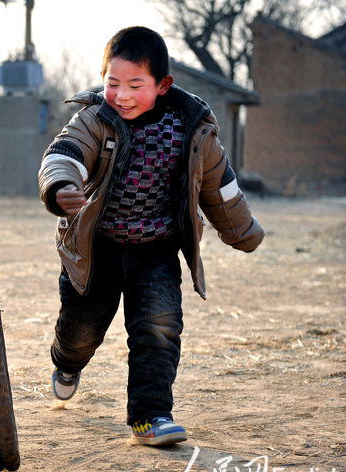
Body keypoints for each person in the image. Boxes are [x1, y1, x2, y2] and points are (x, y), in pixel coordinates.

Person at [37, 26, 264, 446]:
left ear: (162, 85)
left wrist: (243, 231)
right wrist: (61, 186)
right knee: (80, 333)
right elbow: (65, 152)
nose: (121, 95)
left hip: (156, 252)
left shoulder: (193, 128)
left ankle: (151, 416)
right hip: (96, 249)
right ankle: (67, 363)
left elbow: (219, 185)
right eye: (112, 83)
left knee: (159, 329)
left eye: (135, 85)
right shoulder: (94, 118)